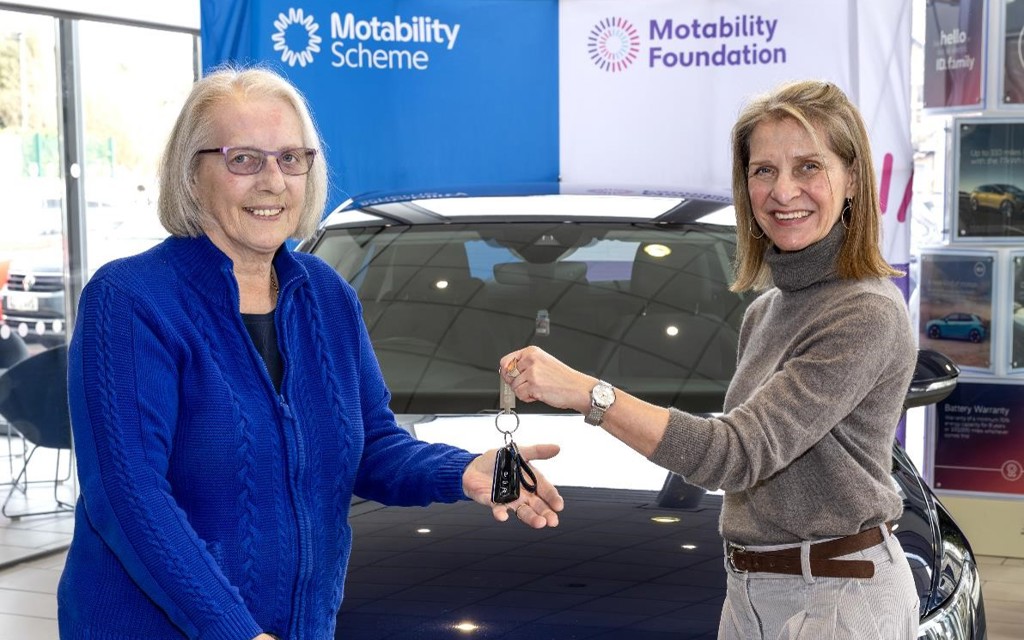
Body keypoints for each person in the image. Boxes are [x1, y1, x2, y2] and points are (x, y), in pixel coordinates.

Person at [57, 65, 564, 640]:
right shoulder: (130, 300)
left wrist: (463, 471)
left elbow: (371, 445)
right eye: (243, 159)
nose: (273, 180)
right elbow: (129, 497)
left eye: (291, 158)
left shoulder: (326, 297)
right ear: (191, 174)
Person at [499, 80, 919, 639]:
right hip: (751, 589)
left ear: (852, 180)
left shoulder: (864, 312)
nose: (783, 190)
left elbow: (736, 454)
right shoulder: (767, 310)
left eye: (808, 167)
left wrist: (587, 393)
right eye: (763, 170)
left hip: (837, 594)